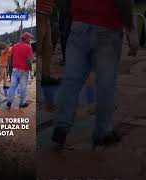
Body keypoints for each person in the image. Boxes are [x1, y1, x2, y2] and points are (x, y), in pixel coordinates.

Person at [52, 0, 137, 147]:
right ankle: (103, 132)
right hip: (107, 26)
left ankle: (61, 125)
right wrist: (130, 29)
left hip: (79, 24)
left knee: (71, 80)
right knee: (106, 84)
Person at [7, 32, 34, 109]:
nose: (30, 39)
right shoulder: (28, 47)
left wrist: (11, 67)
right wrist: (31, 70)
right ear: (26, 38)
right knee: (23, 87)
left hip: (15, 70)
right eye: (30, 38)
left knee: (12, 86)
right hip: (24, 71)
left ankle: (9, 101)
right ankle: (22, 103)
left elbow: (10, 58)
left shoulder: (14, 46)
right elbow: (29, 60)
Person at [38, 0, 60, 85]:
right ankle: (43, 76)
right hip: (40, 13)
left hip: (46, 14)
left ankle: (46, 76)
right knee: (40, 45)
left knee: (48, 47)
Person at [56, 0, 72, 66]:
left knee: (65, 38)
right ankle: (66, 59)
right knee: (64, 38)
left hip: (68, 16)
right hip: (65, 16)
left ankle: (67, 59)